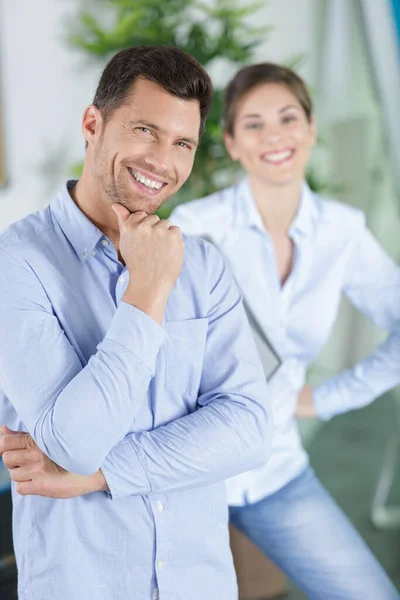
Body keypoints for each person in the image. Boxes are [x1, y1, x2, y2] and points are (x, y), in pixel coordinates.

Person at [0, 47, 272, 600]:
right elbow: (73, 444)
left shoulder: (203, 266)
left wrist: (104, 474)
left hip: (202, 584)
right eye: (145, 130)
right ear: (92, 123)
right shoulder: (17, 265)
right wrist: (147, 295)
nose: (161, 161)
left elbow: (249, 429)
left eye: (182, 144)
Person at [168, 63, 400, 599]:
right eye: (253, 124)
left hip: (276, 471)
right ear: (230, 142)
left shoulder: (342, 232)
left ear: (311, 129)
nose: (274, 135)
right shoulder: (196, 229)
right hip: (185, 478)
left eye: (288, 117)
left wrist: (324, 398)